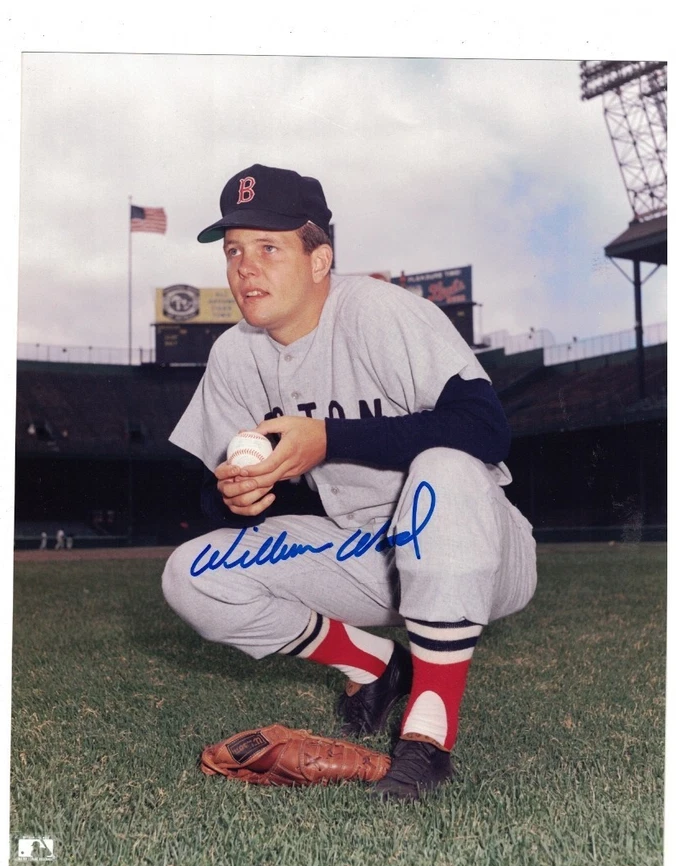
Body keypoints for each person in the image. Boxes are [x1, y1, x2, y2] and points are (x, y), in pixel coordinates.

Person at [163, 163, 537, 800]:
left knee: (444, 464)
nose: (244, 267)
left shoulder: (380, 313)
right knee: (190, 576)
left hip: (476, 549)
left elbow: (485, 429)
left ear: (318, 260)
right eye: (233, 251)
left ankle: (428, 735)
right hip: (365, 553)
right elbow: (222, 491)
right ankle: (378, 666)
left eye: (268, 247)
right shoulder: (235, 354)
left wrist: (330, 440)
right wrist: (239, 497)